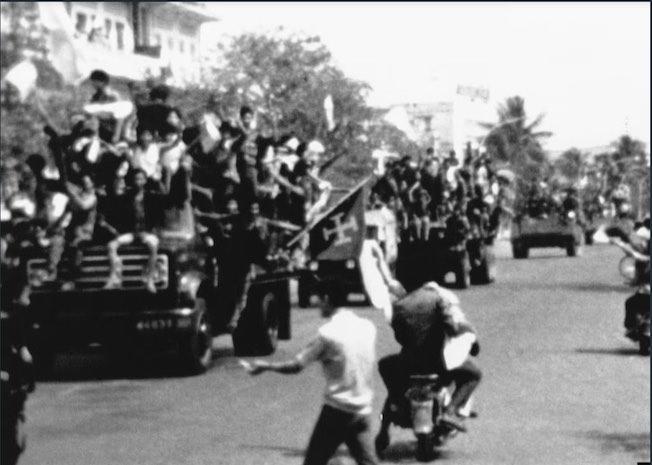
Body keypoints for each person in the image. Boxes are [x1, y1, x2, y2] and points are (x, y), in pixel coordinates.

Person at [248, 278, 378, 465]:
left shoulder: (328, 334)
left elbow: (296, 365)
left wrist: (266, 366)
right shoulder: (368, 327)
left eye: (319, 299)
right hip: (363, 408)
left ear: (327, 299)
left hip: (337, 411)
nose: (317, 305)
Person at [376, 282, 482, 452]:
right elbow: (452, 327)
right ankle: (450, 411)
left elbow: (400, 337)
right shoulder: (439, 299)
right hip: (437, 364)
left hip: (409, 363)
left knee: (390, 379)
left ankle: (384, 429)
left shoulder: (400, 306)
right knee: (474, 374)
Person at [104, 169, 161, 293]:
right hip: (131, 232)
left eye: (141, 179)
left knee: (153, 245)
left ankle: (150, 279)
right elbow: (119, 212)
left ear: (145, 181)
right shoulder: (127, 197)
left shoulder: (151, 197)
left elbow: (157, 216)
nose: (138, 182)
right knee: (111, 245)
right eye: (136, 179)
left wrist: (151, 230)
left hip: (146, 232)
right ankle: (114, 276)